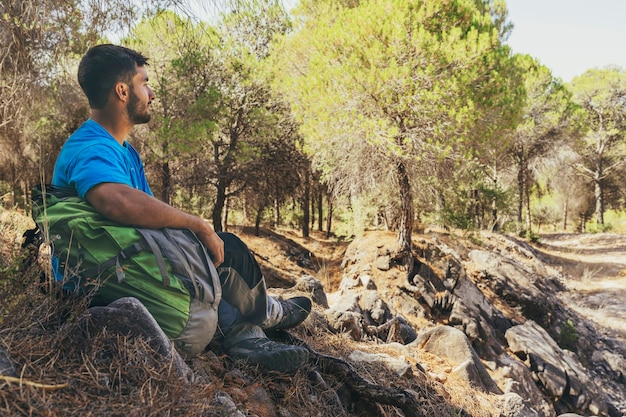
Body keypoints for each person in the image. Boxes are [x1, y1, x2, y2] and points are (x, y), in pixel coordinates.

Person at [51, 43, 311, 373]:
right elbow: (115, 201)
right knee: (225, 249)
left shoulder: (123, 151)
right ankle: (267, 312)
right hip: (107, 279)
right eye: (143, 83)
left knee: (213, 257)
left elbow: (142, 219)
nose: (151, 93)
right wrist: (196, 225)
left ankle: (248, 339)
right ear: (121, 91)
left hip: (127, 262)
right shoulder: (91, 147)